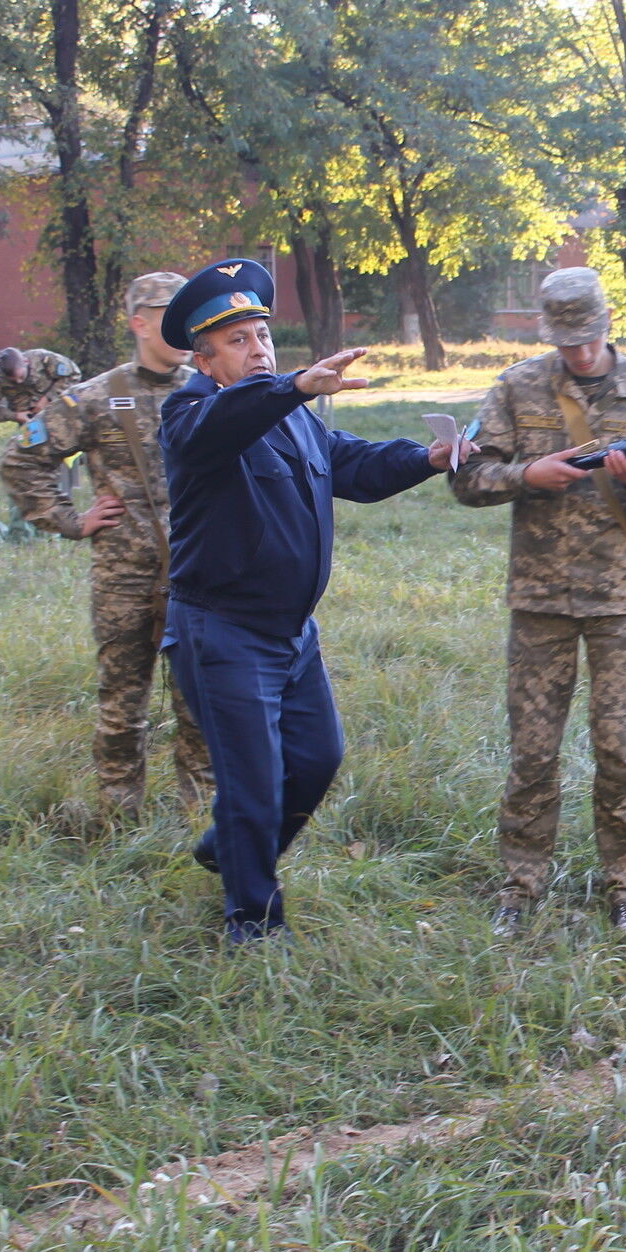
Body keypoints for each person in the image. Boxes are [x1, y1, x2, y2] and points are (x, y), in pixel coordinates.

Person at [159, 258, 451, 945]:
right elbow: (223, 428)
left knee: (317, 759)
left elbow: (353, 464)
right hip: (222, 632)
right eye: (238, 342)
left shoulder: (293, 419)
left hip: (292, 634)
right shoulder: (190, 413)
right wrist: (291, 385)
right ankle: (253, 924)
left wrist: (428, 458)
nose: (258, 350)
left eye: (262, 336)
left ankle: (232, 847)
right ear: (206, 361)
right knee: (252, 782)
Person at [453, 268, 626, 933]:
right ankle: (521, 886)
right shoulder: (516, 387)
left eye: (589, 339)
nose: (581, 353)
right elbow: (466, 479)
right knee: (533, 752)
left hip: (619, 602)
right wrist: (525, 474)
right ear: (548, 331)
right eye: (567, 341)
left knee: (621, 751)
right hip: (540, 600)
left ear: (608, 322)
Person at [0, 272, 213, 819]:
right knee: (123, 705)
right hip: (125, 576)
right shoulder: (96, 397)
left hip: (201, 575)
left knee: (202, 706)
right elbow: (22, 458)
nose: (184, 327)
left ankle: (208, 822)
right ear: (139, 323)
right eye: (170, 315)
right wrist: (71, 520)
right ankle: (118, 822)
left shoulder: (213, 390)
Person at [0, 345, 82, 530]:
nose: (18, 382)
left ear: (26, 363)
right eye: (13, 380)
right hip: (30, 428)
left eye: (21, 376)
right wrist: (14, 415)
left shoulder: (43, 359)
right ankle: (30, 522)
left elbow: (73, 374)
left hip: (61, 420)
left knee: (62, 471)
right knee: (30, 471)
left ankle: (65, 519)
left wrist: (48, 398)